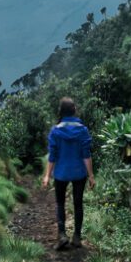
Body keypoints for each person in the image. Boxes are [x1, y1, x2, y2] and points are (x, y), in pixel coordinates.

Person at [42, 97, 95, 250]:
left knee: (60, 203)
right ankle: (77, 237)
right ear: (74, 111)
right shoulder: (82, 130)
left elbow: (52, 156)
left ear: (61, 112)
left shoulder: (56, 131)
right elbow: (86, 154)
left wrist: (47, 175)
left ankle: (62, 235)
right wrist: (91, 175)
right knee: (78, 204)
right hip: (79, 172)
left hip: (61, 173)